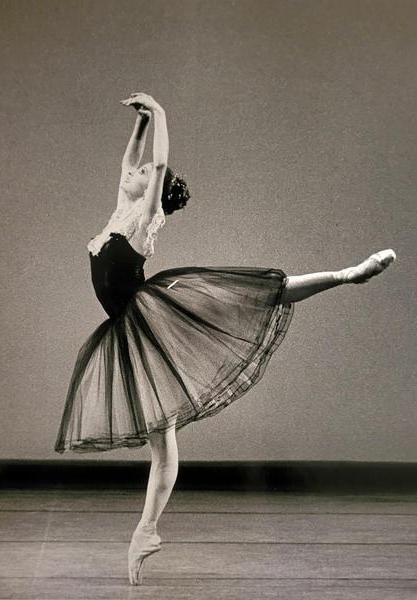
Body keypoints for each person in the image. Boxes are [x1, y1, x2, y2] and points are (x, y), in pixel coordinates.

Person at [54, 92, 396, 585]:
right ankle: (146, 530)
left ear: (152, 191)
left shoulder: (144, 220)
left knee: (258, 294)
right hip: (132, 330)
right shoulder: (120, 212)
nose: (135, 171)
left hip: (159, 310)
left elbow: (159, 164)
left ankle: (348, 274)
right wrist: (140, 125)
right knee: (162, 441)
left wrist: (161, 113)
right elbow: (131, 164)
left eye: (144, 173)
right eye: (137, 171)